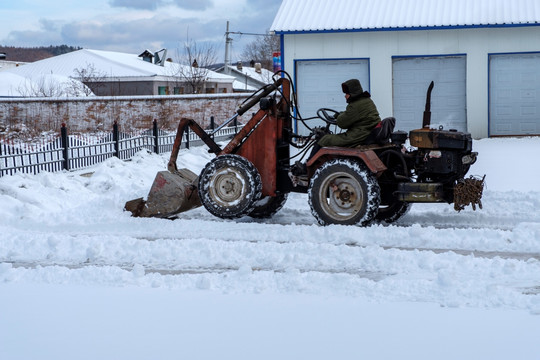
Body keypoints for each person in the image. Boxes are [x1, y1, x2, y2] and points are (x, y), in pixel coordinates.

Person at [291, 79, 382, 176]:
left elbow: (342, 123)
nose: (345, 96)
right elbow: (350, 115)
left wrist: (338, 117)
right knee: (329, 138)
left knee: (324, 139)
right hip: (365, 133)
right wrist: (338, 115)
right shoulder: (365, 101)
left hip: (357, 136)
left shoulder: (355, 106)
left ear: (352, 93)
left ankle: (306, 167)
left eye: (347, 93)